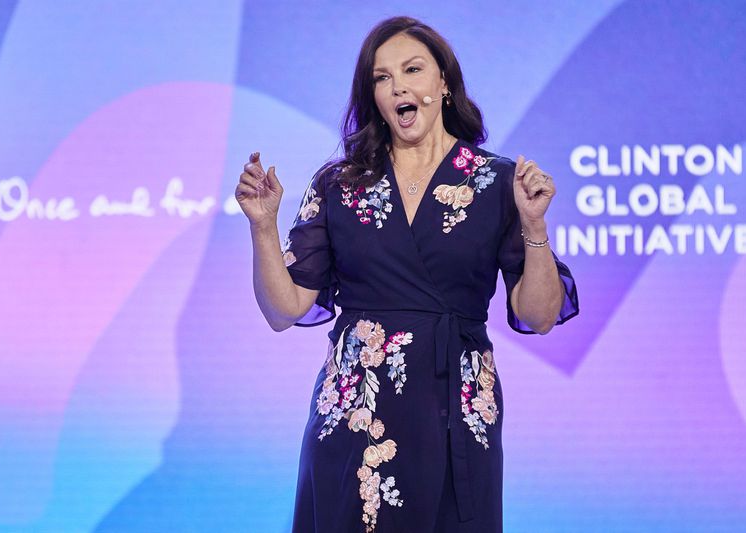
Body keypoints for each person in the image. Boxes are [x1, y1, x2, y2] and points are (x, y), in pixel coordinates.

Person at [235, 15, 578, 533]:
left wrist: (534, 225)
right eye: (381, 77)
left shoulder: (497, 181)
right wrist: (263, 227)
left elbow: (540, 315)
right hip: (357, 418)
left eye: (412, 69)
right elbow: (285, 310)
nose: (398, 86)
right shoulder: (340, 184)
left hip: (456, 420)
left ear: (443, 82)